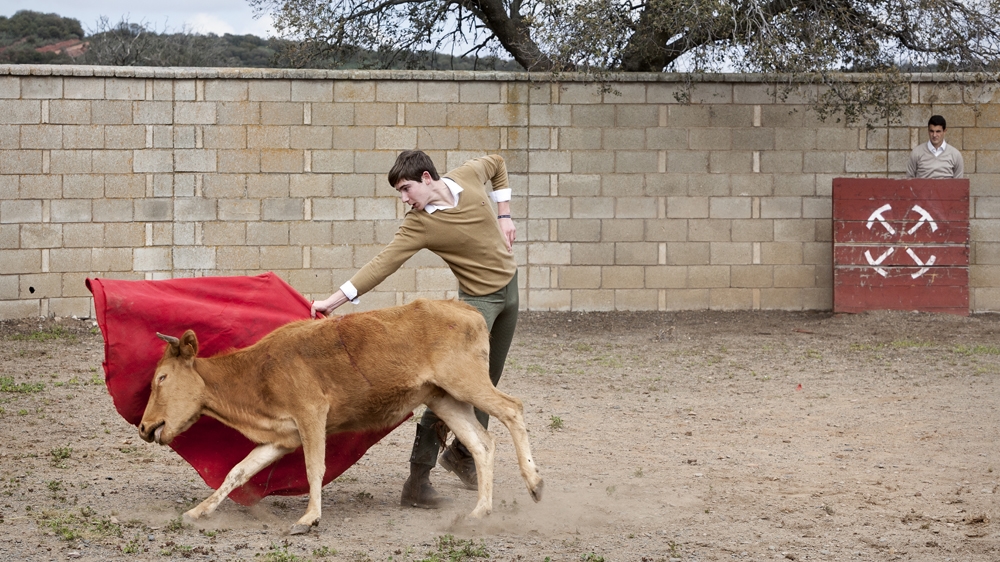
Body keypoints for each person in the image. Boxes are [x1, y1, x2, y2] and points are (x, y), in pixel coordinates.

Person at [310, 150, 518, 508]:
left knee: (486, 386)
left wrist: (505, 215)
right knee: (450, 388)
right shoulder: (419, 223)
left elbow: (497, 163)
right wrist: (333, 301)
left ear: (426, 178)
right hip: (478, 307)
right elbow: (382, 263)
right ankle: (417, 481)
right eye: (399, 193)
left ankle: (461, 457)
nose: (405, 199)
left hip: (510, 296)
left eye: (406, 189)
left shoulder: (468, 176)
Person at [906, 115, 964, 179]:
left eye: (938, 131)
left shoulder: (955, 154)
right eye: (931, 131)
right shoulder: (916, 153)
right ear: (928, 131)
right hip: (922, 189)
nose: (934, 135)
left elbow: (958, 183)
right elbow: (909, 180)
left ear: (944, 131)